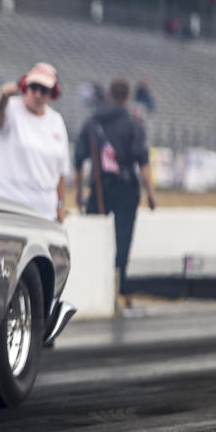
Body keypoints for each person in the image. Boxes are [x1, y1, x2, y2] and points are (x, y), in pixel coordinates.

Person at [74, 78, 157, 306]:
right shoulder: (133, 124)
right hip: (126, 188)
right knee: (122, 240)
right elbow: (142, 161)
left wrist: (79, 192)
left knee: (93, 239)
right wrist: (151, 194)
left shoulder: (92, 122)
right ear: (127, 97)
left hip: (99, 188)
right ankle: (119, 290)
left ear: (110, 95)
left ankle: (92, 287)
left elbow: (78, 160)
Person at [0, 62, 70, 222]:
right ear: (25, 87)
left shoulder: (56, 121)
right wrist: (3, 94)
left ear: (51, 93)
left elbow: (61, 171)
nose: (37, 94)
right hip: (4, 205)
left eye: (44, 90)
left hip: (43, 213)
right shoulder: (10, 108)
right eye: (34, 87)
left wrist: (60, 205)